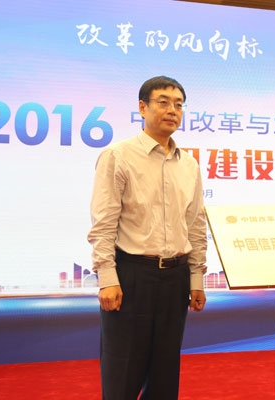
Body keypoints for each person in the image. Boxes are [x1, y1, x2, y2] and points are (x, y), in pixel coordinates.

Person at [87, 76, 208, 400]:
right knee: (123, 371)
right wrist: (107, 277)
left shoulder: (189, 164)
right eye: (163, 102)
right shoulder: (118, 155)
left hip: (176, 277)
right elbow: (104, 222)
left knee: (165, 375)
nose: (172, 110)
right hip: (132, 275)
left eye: (179, 104)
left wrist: (196, 278)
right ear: (142, 107)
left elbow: (195, 224)